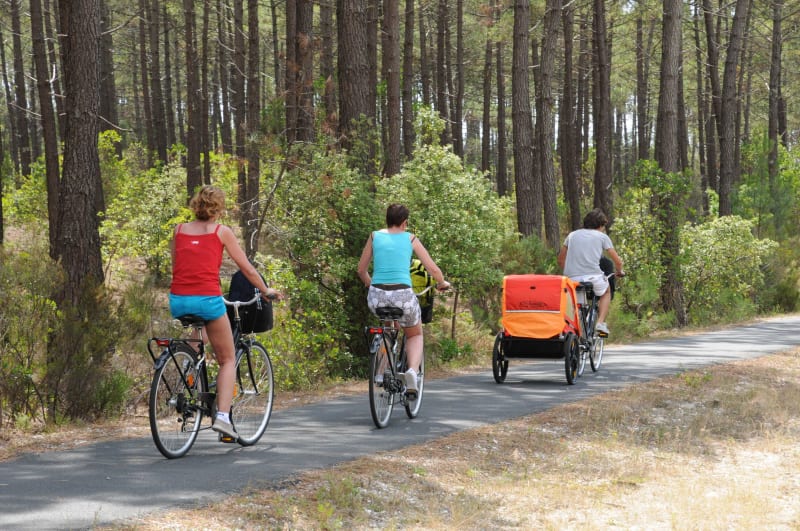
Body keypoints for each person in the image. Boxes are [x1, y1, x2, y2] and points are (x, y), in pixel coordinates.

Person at [169, 185, 282, 439]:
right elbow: (248, 270)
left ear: (196, 205)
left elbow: (178, 267)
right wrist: (265, 290)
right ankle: (222, 418)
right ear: (217, 209)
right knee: (227, 359)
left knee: (201, 337)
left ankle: (189, 374)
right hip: (207, 300)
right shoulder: (222, 232)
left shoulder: (178, 230)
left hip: (178, 300)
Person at [357, 204, 450, 396]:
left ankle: (381, 372)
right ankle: (412, 372)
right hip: (403, 297)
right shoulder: (410, 239)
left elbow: (361, 270)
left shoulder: (374, 236)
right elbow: (432, 269)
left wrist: (370, 284)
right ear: (405, 222)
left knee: (388, 328)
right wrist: (441, 283)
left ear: (387, 219)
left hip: (376, 298)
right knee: (415, 333)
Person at [557, 208, 624, 337]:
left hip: (571, 280)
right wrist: (619, 271)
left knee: (573, 303)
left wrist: (570, 271)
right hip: (593, 277)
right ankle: (600, 322)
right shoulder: (602, 237)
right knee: (606, 291)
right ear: (600, 225)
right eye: (604, 226)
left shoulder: (572, 235)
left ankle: (572, 329)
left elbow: (560, 260)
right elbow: (617, 261)